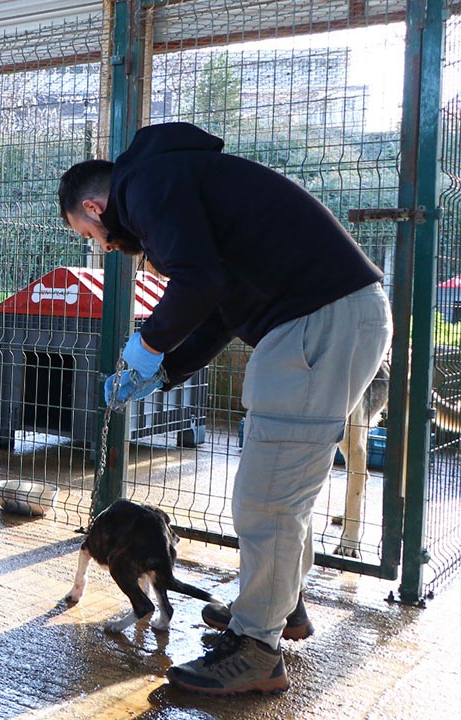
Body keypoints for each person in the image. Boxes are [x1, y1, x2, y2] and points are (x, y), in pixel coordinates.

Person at [58, 122, 391, 696]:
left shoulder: (145, 185)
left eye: (89, 233)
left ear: (94, 206)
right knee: (282, 491)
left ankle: (257, 648)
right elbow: (216, 305)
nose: (101, 245)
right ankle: (279, 611)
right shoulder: (174, 181)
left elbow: (200, 282)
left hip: (317, 320)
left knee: (266, 497)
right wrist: (165, 368)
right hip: (328, 315)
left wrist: (144, 346)